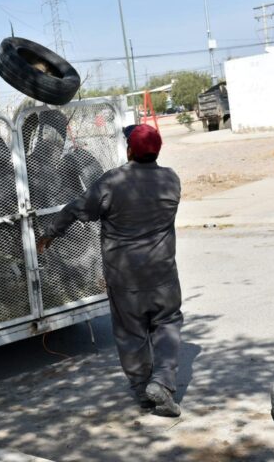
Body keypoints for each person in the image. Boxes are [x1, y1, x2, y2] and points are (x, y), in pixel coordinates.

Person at [37, 124, 183, 417]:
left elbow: (78, 209)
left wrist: (50, 233)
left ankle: (142, 390)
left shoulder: (113, 182)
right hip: (163, 273)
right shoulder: (171, 179)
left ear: (129, 150)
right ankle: (162, 383)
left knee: (131, 332)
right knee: (167, 324)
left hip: (124, 276)